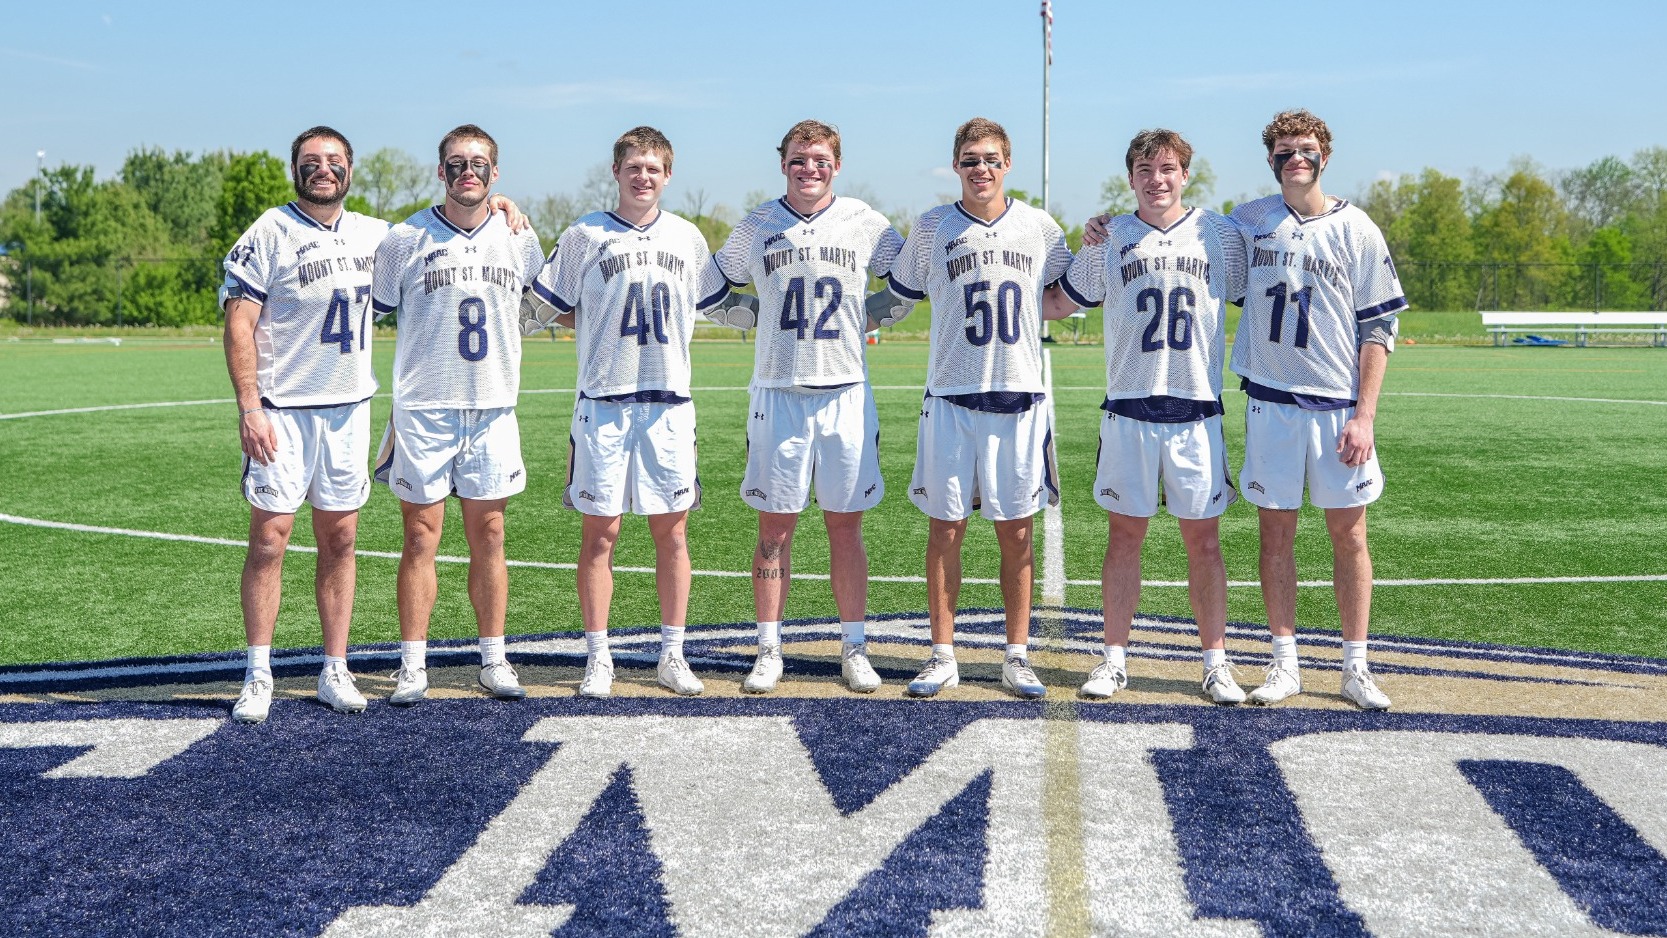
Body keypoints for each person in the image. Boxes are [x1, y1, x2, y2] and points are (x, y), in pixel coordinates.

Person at [523, 126, 731, 699]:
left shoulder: (688, 238)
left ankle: (672, 653)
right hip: (604, 405)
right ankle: (599, 657)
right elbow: (542, 306)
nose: (643, 177)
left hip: (669, 406)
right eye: (633, 167)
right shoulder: (585, 235)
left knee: (673, 533)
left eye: (654, 168)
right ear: (616, 172)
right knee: (601, 534)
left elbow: (723, 304)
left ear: (668, 175)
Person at [1045, 129, 1248, 704]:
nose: (1156, 179)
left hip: (1196, 409)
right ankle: (1113, 660)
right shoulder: (1111, 236)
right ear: (1130, 177)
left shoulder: (1219, 234)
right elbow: (1063, 302)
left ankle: (1216, 663)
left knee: (1204, 544)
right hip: (1129, 409)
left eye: (1167, 168)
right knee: (1123, 538)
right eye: (1144, 169)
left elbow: (1256, 295)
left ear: (1185, 174)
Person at [874, 117, 1073, 699]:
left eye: (990, 159)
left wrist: (1105, 244)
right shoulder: (934, 227)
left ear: (1007, 163)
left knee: (1016, 533)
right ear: (956, 167)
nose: (980, 169)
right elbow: (902, 295)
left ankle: (1016, 655)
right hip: (951, 399)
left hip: (1018, 399)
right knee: (946, 529)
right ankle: (943, 654)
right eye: (969, 160)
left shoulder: (1039, 227)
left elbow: (1063, 299)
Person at [706, 120, 901, 695]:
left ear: (836, 165)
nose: (808, 168)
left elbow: (912, 278)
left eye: (819, 159)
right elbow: (709, 284)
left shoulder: (866, 221)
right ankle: (769, 646)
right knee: (775, 528)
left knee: (846, 526)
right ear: (783, 162)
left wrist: (876, 314)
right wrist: (748, 316)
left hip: (844, 392)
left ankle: (855, 645)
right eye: (798, 158)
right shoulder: (757, 224)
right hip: (777, 391)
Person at [1230, 109, 1405, 710]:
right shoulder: (1248, 220)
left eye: (1305, 149)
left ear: (1324, 156)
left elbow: (1379, 328)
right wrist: (1106, 229)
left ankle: (1355, 666)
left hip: (1337, 407)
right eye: (1283, 149)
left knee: (1348, 535)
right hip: (1271, 403)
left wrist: (1366, 414)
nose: (1295, 158)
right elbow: (1181, 239)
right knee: (1275, 535)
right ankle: (1284, 664)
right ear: (1270, 158)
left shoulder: (1357, 229)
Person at [369, 124, 545, 705]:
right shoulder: (404, 239)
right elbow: (377, 309)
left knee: (489, 535)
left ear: (495, 174)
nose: (466, 172)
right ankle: (412, 663)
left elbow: (541, 306)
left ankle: (493, 658)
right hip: (424, 409)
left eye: (478, 164)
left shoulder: (520, 238)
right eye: (455, 164)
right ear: (440, 171)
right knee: (420, 538)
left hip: (493, 406)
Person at [220, 126, 385, 723]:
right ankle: (258, 671)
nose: (324, 170)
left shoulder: (376, 235)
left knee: (341, 540)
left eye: (334, 161)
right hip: (283, 413)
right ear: (296, 169)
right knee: (270, 539)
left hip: (348, 410)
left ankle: (334, 668)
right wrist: (249, 407)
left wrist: (500, 205)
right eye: (312, 161)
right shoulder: (271, 230)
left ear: (349, 169)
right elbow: (239, 325)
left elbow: (442, 234)